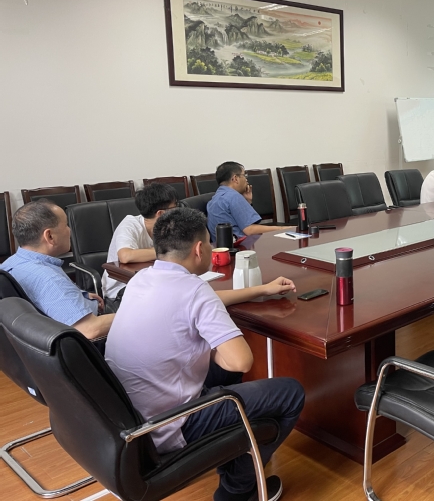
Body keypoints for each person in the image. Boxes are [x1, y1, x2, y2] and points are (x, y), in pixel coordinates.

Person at [105, 207, 304, 501]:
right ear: (199, 249)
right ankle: (237, 492)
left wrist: (261, 290)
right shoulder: (195, 291)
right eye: (210, 243)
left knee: (225, 373)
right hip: (171, 424)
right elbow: (241, 361)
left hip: (132, 417)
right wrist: (208, 350)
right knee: (290, 393)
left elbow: (204, 298)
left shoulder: (141, 279)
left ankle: (233, 451)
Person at [0, 200, 113, 339]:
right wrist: (131, 314)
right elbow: (89, 329)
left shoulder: (10, 264)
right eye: (65, 225)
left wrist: (80, 296)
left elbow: (44, 297)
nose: (69, 230)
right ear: (50, 236)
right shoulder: (48, 279)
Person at [101, 183, 178, 303]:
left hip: (154, 281)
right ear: (161, 213)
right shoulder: (130, 224)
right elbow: (125, 256)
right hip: (122, 287)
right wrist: (167, 250)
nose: (178, 211)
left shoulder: (169, 227)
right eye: (174, 207)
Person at [207, 162, 288, 243]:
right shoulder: (233, 196)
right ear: (235, 178)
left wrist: (247, 202)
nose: (246, 180)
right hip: (242, 247)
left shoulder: (214, 199)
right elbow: (250, 230)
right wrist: (283, 229)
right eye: (244, 175)